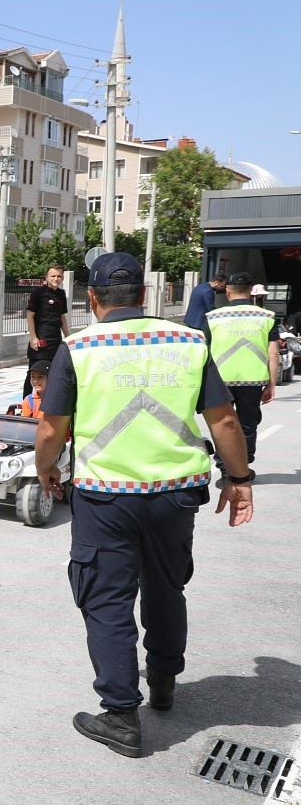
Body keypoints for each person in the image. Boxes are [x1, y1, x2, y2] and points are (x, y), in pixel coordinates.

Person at [33, 252, 253, 759]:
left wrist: (47, 468)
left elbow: (51, 428)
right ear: (145, 296)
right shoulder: (189, 341)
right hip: (175, 495)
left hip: (106, 497)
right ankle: (163, 683)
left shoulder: (79, 346)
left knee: (107, 599)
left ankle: (120, 716)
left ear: (91, 299)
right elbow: (223, 422)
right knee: (166, 587)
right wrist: (239, 479)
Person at [204, 272, 280, 477]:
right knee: (247, 424)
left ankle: (224, 470)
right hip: (252, 380)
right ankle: (242, 469)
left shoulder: (212, 318)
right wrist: (271, 384)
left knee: (223, 423)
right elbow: (273, 352)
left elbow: (204, 350)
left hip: (220, 381)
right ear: (250, 291)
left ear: (227, 291)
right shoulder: (267, 317)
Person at [22, 265, 70, 397]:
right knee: (34, 372)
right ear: (47, 277)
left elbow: (62, 317)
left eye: (59, 276)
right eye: (53, 276)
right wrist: (33, 337)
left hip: (56, 339)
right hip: (41, 338)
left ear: (63, 277)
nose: (56, 278)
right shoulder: (38, 293)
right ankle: (26, 402)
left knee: (53, 373)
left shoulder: (61, 294)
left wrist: (68, 337)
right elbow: (30, 314)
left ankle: (48, 401)